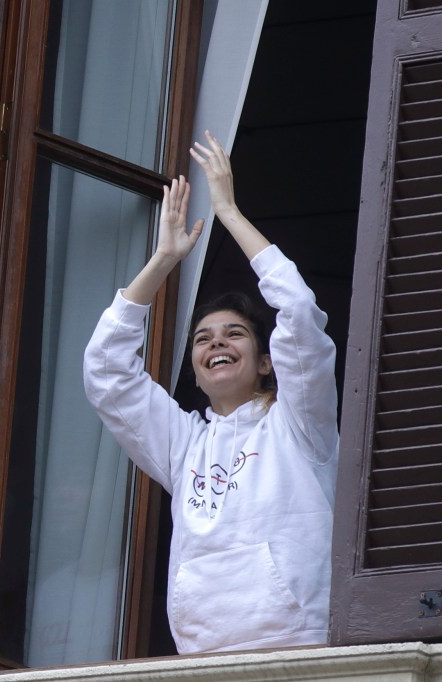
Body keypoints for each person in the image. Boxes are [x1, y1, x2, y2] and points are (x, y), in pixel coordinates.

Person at [83, 131, 338, 654]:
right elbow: (106, 372)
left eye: (234, 333)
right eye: (203, 339)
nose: (216, 341)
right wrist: (163, 261)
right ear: (196, 374)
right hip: (201, 653)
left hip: (300, 646)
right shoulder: (185, 445)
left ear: (267, 362)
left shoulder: (300, 423)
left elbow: (300, 315)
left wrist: (229, 214)